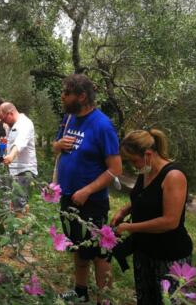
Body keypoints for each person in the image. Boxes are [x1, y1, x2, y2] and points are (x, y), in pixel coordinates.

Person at [53, 74, 122, 304]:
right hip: (67, 197)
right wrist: (58, 145)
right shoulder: (69, 119)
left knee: (99, 253)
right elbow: (56, 147)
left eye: (67, 93)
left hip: (91, 202)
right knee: (77, 248)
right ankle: (80, 291)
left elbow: (115, 169)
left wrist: (87, 190)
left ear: (82, 96)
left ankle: (105, 298)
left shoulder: (102, 125)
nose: (62, 96)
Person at [111, 129, 193, 305]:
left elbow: (170, 221)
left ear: (148, 154)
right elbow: (144, 198)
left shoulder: (174, 176)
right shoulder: (146, 172)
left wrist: (129, 227)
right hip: (144, 252)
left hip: (169, 256)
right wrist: (124, 211)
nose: (134, 166)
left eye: (134, 160)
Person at [0, 102, 37, 212]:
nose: (3, 122)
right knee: (17, 201)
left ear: (10, 113)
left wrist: (11, 156)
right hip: (14, 169)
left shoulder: (25, 124)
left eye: (4, 119)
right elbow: (11, 142)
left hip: (25, 169)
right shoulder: (11, 125)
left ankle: (20, 229)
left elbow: (20, 143)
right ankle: (24, 225)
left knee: (19, 202)